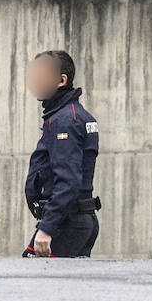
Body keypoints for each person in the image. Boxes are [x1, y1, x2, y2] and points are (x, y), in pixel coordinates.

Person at [23, 50, 101, 259]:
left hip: (67, 223)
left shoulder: (65, 120)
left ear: (61, 80)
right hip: (74, 220)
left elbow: (68, 181)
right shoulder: (70, 115)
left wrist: (47, 228)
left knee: (32, 274)